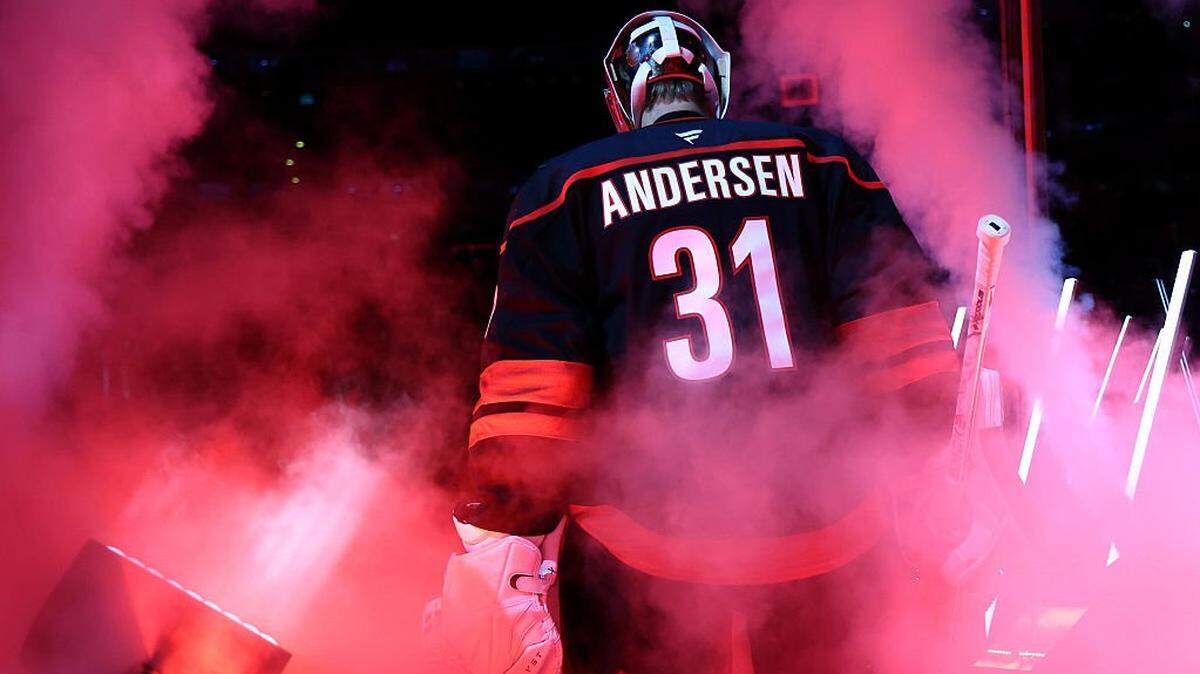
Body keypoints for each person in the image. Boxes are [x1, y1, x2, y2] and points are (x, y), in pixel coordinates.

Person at [425, 10, 960, 674]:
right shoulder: (822, 162)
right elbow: (906, 354)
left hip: (640, 551)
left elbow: (534, 396)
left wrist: (498, 545)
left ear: (621, 99)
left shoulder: (562, 190)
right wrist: (940, 466)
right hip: (831, 538)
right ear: (717, 85)